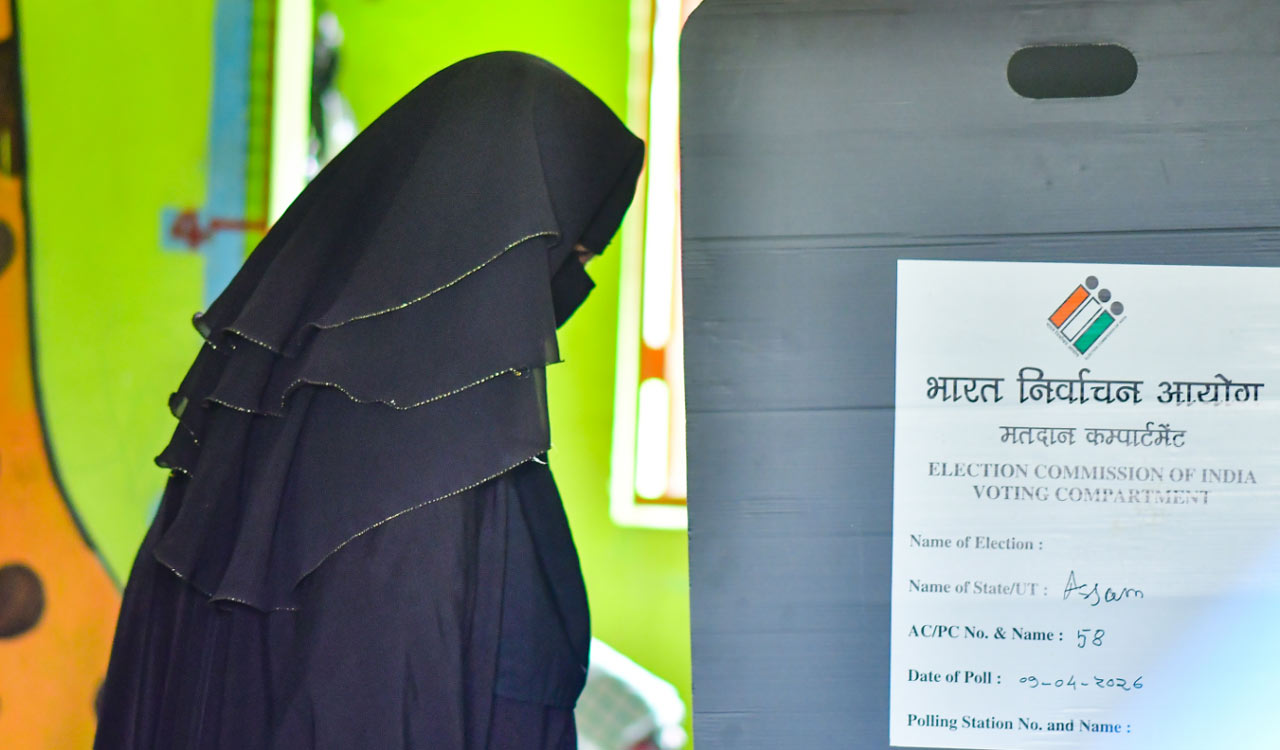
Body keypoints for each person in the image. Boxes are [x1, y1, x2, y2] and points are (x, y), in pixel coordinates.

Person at [94, 52, 645, 750]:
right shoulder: (426, 462)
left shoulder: (263, 410)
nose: (567, 290)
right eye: (570, 256)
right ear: (492, 240)